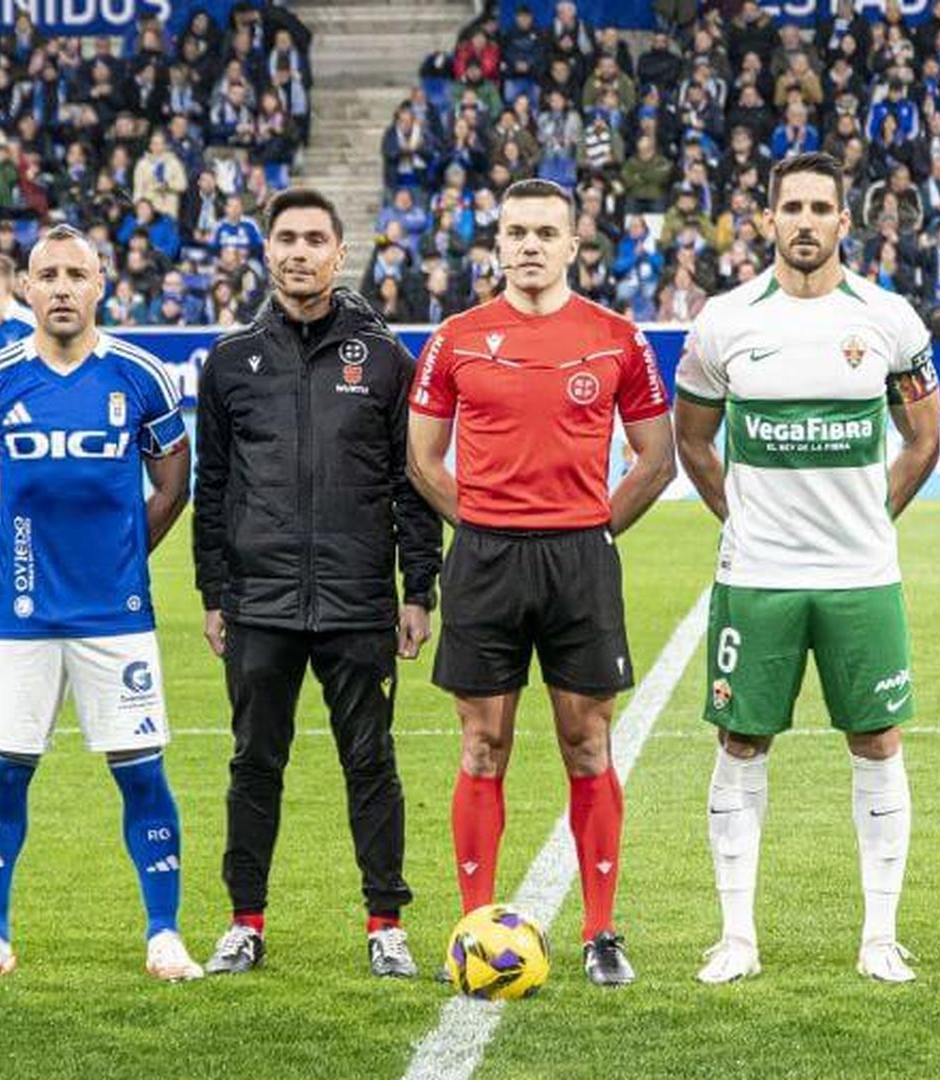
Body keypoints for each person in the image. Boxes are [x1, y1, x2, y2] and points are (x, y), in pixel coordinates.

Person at [673, 152, 940, 986]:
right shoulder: (724, 321)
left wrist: (872, 514)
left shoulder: (889, 318)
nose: (804, 221)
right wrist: (741, 517)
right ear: (767, 221)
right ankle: (736, 938)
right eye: (790, 207)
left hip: (861, 575)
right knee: (742, 740)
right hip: (757, 575)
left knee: (877, 738)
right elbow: (691, 438)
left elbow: (924, 438)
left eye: (819, 208)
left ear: (842, 223)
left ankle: (880, 937)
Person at [407, 179, 677, 987]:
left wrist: (592, 528)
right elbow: (423, 459)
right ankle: (474, 928)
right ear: (497, 243)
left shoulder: (616, 337)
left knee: (586, 742)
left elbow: (655, 459)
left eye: (544, 232)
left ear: (572, 245)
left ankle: (601, 933)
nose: (529, 245)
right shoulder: (456, 338)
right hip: (485, 561)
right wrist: (485, 522)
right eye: (516, 231)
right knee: (483, 743)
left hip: (578, 563)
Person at [0, 225, 202, 983]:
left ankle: (164, 934)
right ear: (25, 288)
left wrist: (120, 557)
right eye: (46, 274)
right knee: (5, 772)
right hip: (19, 622)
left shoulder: (142, 376)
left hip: (116, 619)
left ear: (100, 285)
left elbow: (173, 482)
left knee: (141, 773)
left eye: (74, 275)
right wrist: (21, 563)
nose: (60, 287)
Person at [192, 188, 442, 979]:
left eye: (313, 240)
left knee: (371, 763)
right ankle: (244, 920)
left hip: (358, 599)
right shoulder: (232, 362)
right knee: (253, 764)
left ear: (341, 254)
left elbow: (414, 483)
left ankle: (385, 924)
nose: (298, 252)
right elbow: (215, 484)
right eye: (285, 239)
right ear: (267, 251)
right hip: (259, 601)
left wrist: (418, 589)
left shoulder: (387, 360)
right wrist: (213, 593)